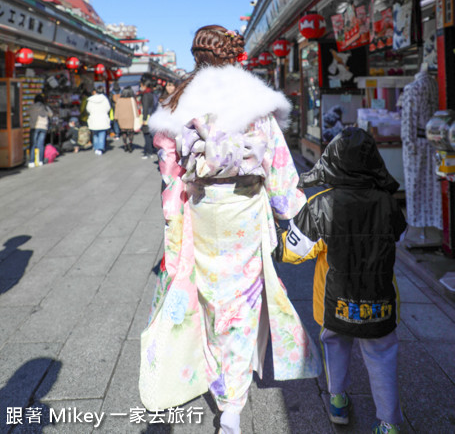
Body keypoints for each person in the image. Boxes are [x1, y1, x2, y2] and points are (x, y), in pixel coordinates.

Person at [139, 25, 321, 434]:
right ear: (234, 55)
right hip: (244, 207)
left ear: (198, 57)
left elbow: (170, 170)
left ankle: (211, 368)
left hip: (203, 208)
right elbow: (277, 162)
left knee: (209, 296)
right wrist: (289, 210)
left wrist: (174, 212)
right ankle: (232, 404)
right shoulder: (254, 100)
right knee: (241, 303)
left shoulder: (181, 101)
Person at [274, 127, 407, 434]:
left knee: (334, 344)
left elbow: (293, 251)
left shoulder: (320, 205)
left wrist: (268, 238)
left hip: (335, 303)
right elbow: (399, 235)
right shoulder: (387, 203)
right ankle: (389, 423)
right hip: (381, 300)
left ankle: (337, 402)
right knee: (382, 354)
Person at [28, 94, 53, 167]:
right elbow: (51, 114)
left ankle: (31, 161)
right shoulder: (45, 107)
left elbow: (27, 112)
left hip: (34, 127)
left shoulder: (32, 107)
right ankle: (40, 161)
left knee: (33, 144)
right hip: (43, 127)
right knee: (40, 144)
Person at [114, 86, 140, 153]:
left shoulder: (119, 100)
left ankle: (125, 145)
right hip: (130, 118)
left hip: (122, 118)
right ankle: (130, 144)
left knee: (124, 132)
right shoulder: (132, 100)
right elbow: (135, 110)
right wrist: (137, 117)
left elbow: (116, 110)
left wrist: (116, 117)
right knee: (131, 132)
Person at [86, 85, 111, 155]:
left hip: (94, 119)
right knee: (102, 134)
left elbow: (88, 109)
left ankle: (96, 147)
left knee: (95, 134)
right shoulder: (105, 99)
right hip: (102, 118)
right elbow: (108, 108)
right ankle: (100, 148)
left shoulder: (91, 100)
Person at [139, 75, 158, 159]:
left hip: (147, 117)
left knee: (146, 135)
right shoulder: (152, 93)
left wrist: (144, 119)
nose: (140, 87)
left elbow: (145, 108)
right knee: (150, 135)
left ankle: (148, 152)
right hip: (153, 116)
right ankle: (151, 150)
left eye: (141, 85)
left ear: (144, 85)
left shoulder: (146, 95)